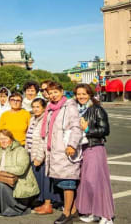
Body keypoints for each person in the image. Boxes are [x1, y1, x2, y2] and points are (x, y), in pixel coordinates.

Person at [40, 82, 81, 224]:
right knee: (61, 181)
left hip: (66, 150)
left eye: (55, 92)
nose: (52, 95)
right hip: (54, 150)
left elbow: (76, 127)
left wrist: (72, 145)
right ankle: (74, 210)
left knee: (67, 182)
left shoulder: (69, 106)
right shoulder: (50, 108)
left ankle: (66, 213)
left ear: (62, 91)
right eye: (50, 93)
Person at [74, 84, 114, 224]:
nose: (81, 97)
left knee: (96, 182)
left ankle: (106, 216)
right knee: (86, 182)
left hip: (95, 147)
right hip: (82, 149)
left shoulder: (97, 109)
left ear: (90, 95)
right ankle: (93, 212)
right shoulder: (79, 110)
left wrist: (87, 130)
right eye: (79, 94)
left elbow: (105, 130)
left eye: (84, 94)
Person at [0, 129, 40, 216]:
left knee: (0, 184)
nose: (3, 141)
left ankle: (16, 207)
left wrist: (2, 168)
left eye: (5, 138)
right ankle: (0, 207)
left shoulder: (20, 150)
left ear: (11, 139)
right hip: (5, 180)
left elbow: (20, 170)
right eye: (1, 139)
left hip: (20, 183)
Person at [29, 98, 61, 215]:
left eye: (38, 107)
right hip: (33, 154)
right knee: (40, 181)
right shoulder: (33, 119)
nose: (35, 109)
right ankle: (43, 203)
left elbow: (44, 140)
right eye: (33, 107)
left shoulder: (46, 119)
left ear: (43, 108)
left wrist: (39, 157)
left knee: (46, 180)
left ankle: (48, 204)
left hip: (42, 155)